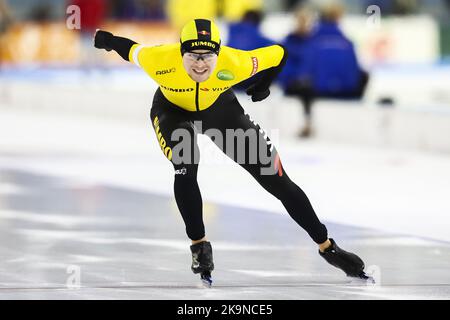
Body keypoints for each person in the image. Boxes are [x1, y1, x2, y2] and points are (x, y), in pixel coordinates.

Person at [94, 18, 371, 286]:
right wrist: (107, 41)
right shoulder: (158, 59)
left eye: (208, 56)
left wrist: (263, 84)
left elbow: (279, 54)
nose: (200, 63)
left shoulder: (235, 62)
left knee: (274, 177)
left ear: (219, 54)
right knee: (186, 164)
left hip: (220, 111)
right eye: (193, 55)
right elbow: (127, 48)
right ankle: (199, 246)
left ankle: (328, 247)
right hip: (172, 111)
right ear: (180, 53)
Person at [279, 3, 369, 138]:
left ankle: (307, 121)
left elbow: (303, 71)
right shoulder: (347, 42)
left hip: (318, 91)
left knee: (301, 82)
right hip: (348, 91)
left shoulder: (310, 42)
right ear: (338, 19)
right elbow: (356, 71)